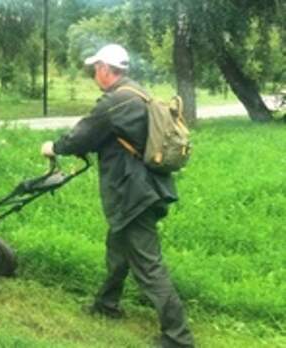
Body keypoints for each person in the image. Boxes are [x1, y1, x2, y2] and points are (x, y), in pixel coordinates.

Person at [40, 44, 195, 348]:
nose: (94, 73)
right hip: (144, 186)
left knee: (148, 265)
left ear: (105, 69)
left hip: (132, 192)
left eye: (96, 68)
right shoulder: (136, 92)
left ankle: (178, 337)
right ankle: (106, 304)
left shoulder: (116, 101)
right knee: (118, 246)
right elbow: (110, 137)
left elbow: (83, 135)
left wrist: (54, 147)